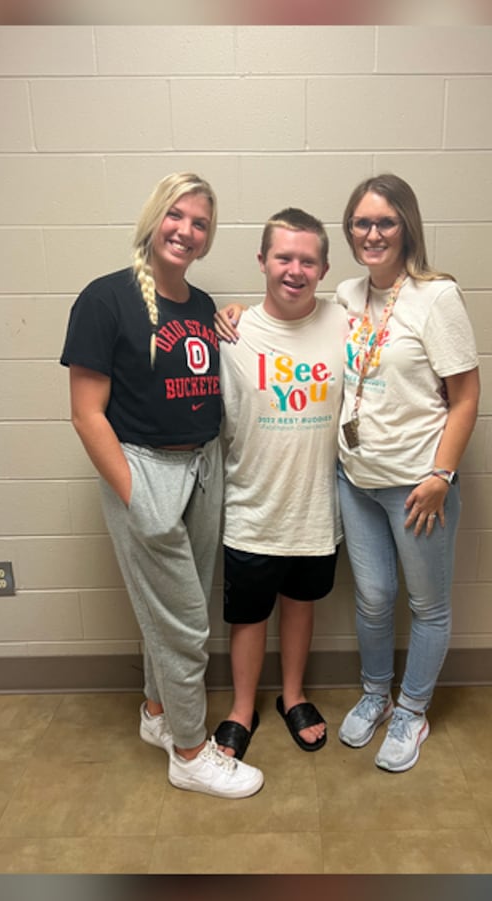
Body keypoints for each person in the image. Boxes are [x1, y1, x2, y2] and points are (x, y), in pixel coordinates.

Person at [60, 172, 263, 800]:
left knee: (187, 604)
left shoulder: (201, 307)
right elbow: (86, 413)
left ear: (207, 239)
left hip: (202, 468)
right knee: (183, 625)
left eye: (200, 223)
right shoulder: (105, 299)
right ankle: (190, 751)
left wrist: (229, 315)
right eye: (177, 216)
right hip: (142, 468)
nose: (187, 230)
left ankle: (156, 713)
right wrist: (135, 496)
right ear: (155, 219)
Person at [330, 174, 481, 773]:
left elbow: (466, 397)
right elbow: (294, 327)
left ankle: (412, 711)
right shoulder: (346, 295)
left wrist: (442, 474)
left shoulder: (437, 298)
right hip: (355, 479)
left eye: (385, 222)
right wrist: (236, 314)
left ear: (406, 227)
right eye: (361, 223)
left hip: (419, 487)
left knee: (428, 606)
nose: (372, 234)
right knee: (372, 599)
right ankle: (375, 694)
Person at [213, 208, 345, 760]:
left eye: (307, 260)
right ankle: (243, 706)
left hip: (315, 507)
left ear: (324, 267)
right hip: (251, 505)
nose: (295, 269)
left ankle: (292, 696)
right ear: (263, 260)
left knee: (300, 603)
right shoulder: (232, 331)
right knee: (248, 615)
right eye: (283, 257)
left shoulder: (344, 321)